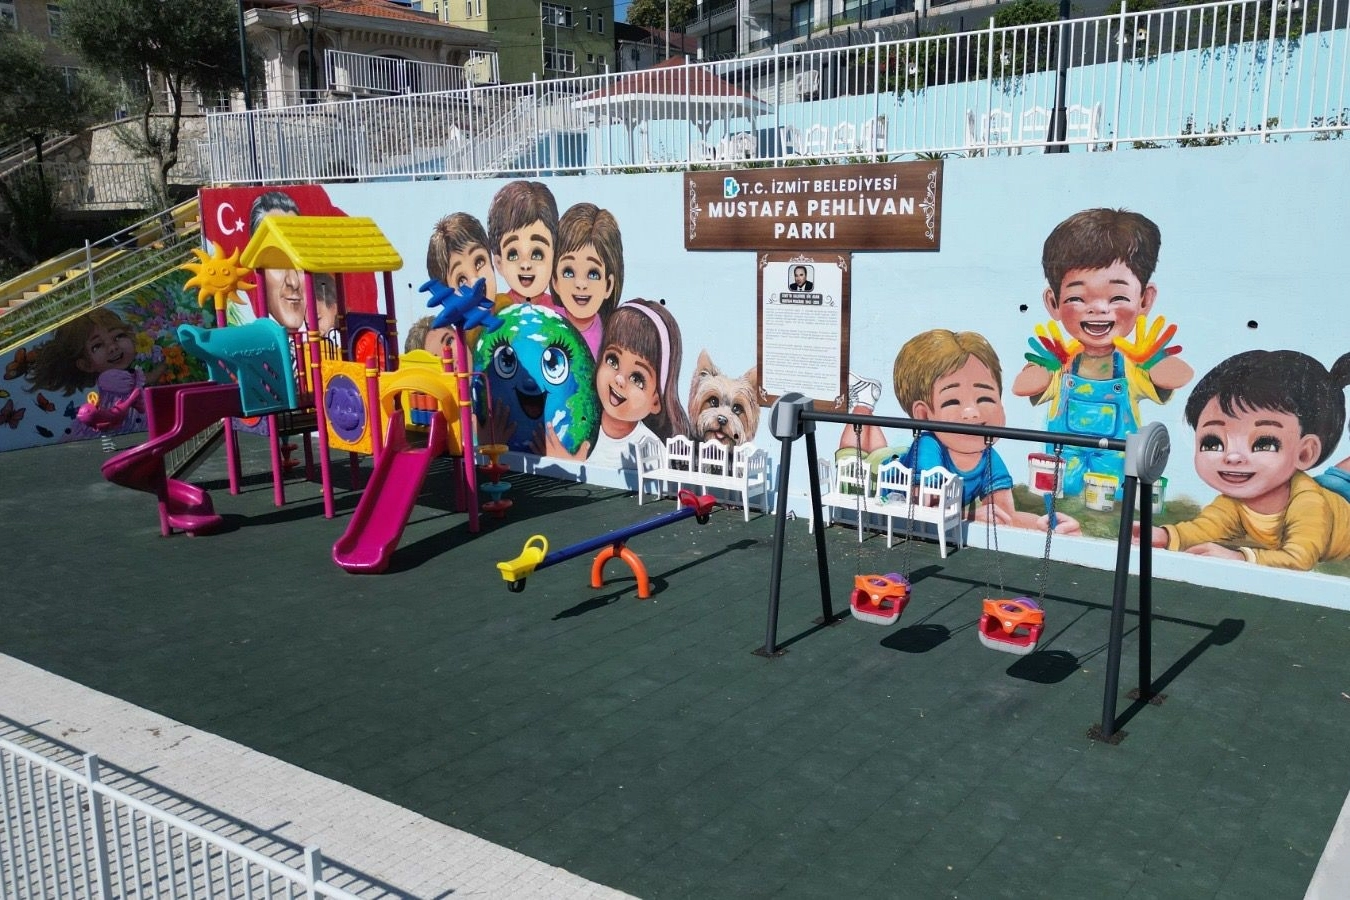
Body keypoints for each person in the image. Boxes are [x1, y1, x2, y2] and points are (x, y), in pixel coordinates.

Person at [1013, 208, 1192, 496]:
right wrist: (1048, 367)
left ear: (1144, 300)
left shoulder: (1132, 367)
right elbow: (1021, 387)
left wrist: (1150, 359)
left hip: (1114, 491)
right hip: (1061, 489)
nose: (1098, 308)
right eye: (1077, 297)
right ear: (1053, 302)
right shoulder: (1063, 364)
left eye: (1117, 297)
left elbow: (1181, 376)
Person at [1136, 350, 1350, 569]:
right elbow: (1205, 528)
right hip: (1328, 489)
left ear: (1305, 454)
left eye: (1264, 443)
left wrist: (1240, 557)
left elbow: (1299, 558)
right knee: (1333, 481)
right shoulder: (1235, 501)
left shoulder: (1309, 504)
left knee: (1339, 481)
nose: (1232, 456)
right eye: (1213, 443)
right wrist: (1165, 535)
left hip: (1343, 506)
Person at [895, 329, 1078, 534]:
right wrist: (972, 517)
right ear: (923, 414)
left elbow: (1005, 516)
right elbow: (924, 511)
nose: (972, 412)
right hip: (890, 489)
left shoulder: (988, 458)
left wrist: (1046, 527)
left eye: (985, 398)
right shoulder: (928, 449)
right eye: (952, 401)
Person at [540, 299, 692, 469]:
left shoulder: (652, 451)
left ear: (656, 401)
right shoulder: (576, 425)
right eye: (612, 360)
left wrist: (572, 469)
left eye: (636, 378)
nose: (619, 379)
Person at [25, 309, 165, 440]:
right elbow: (146, 382)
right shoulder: (108, 378)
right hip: (118, 425)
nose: (113, 347)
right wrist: (165, 365)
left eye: (118, 336)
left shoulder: (132, 371)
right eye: (97, 346)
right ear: (86, 365)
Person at [248, 191, 337, 336]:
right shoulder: (257, 337)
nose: (293, 282)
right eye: (278, 264)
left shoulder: (319, 330)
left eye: (298, 264)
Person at [412, 212, 499, 357]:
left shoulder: (511, 308)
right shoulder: (464, 343)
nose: (475, 280)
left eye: (479, 262)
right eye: (461, 280)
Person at [552, 202, 623, 361]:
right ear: (555, 280)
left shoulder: (610, 339)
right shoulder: (545, 323)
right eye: (568, 272)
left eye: (593, 274)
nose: (580, 283)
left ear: (608, 286)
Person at [487, 180, 559, 311]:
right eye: (513, 255)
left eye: (537, 254)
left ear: (554, 258)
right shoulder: (495, 310)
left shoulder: (559, 312)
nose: (525, 265)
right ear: (499, 263)